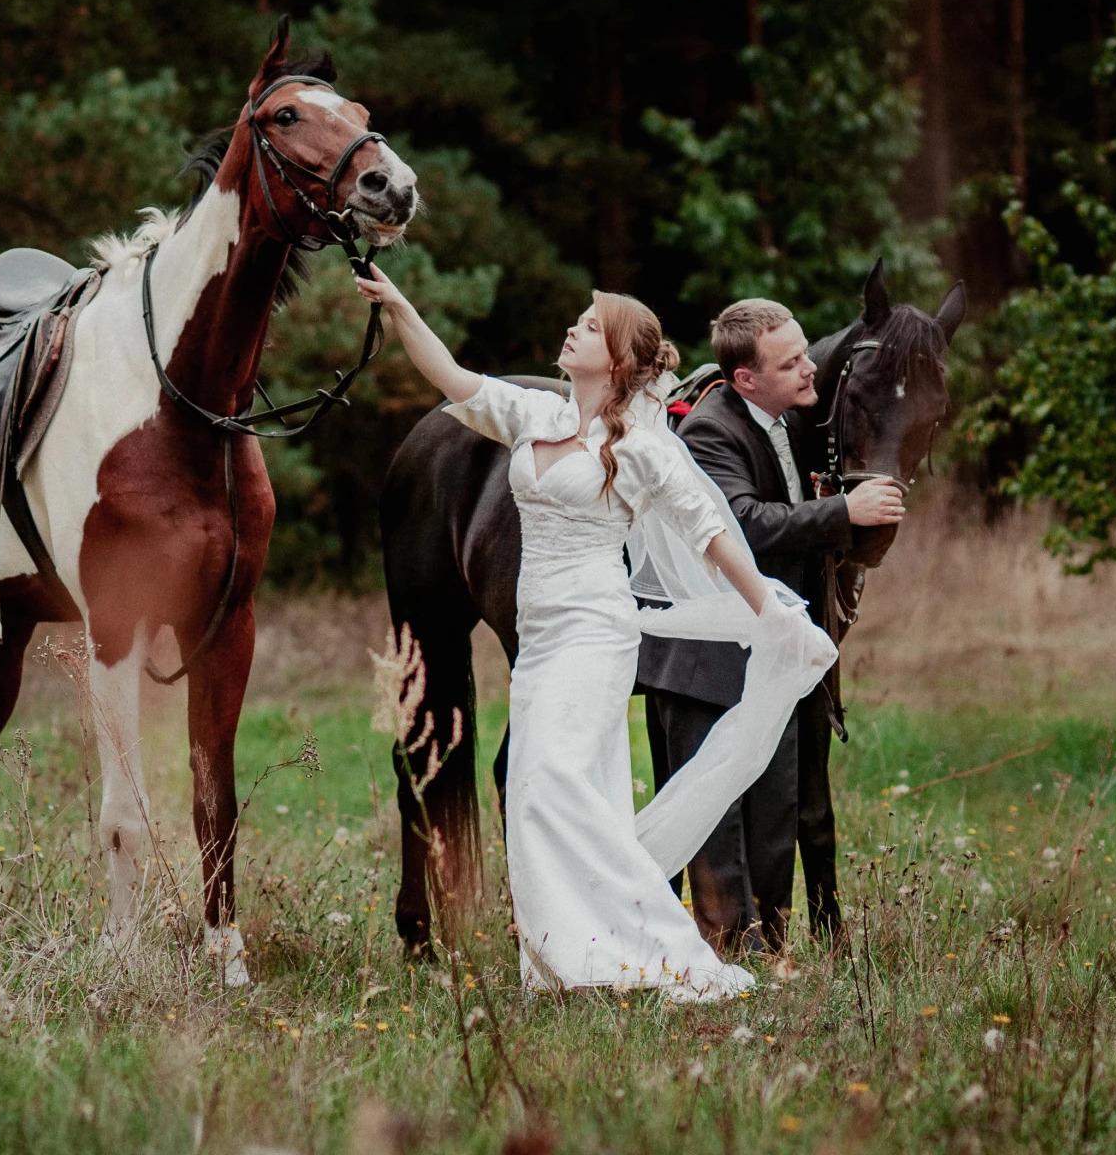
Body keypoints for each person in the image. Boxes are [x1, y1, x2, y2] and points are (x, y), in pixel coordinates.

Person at [354, 265, 836, 999]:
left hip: (595, 631)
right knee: (548, 789)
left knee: (552, 785)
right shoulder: (534, 417)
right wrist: (398, 307)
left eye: (588, 325)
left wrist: (766, 608)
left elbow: (711, 529)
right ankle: (565, 956)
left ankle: (643, 946)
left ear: (613, 359)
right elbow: (453, 379)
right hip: (541, 638)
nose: (572, 327)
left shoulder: (642, 445)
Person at [632, 299, 904, 954]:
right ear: (746, 379)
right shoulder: (710, 431)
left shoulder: (791, 419)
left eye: (806, 351)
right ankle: (722, 949)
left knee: (778, 803)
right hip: (717, 655)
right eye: (792, 362)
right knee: (726, 810)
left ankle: (770, 947)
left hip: (777, 643)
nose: (812, 369)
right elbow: (742, 525)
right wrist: (844, 510)